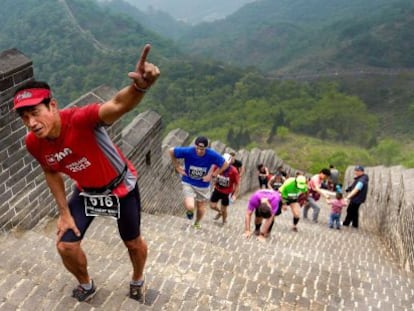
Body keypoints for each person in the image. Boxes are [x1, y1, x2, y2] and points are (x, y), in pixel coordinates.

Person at [13, 44, 160, 303]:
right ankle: (86, 284)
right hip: (86, 193)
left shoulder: (81, 120)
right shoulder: (34, 143)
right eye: (24, 117)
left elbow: (117, 104)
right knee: (65, 245)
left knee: (133, 242)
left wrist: (140, 88)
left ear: (53, 105)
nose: (31, 123)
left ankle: (137, 279)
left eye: (35, 112)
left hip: (120, 188)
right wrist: (63, 212)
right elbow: (50, 171)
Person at [169, 136, 228, 229]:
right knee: (190, 206)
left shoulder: (211, 154)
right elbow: (171, 151)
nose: (199, 151)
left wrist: (212, 175)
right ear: (195, 146)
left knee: (201, 206)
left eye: (202, 149)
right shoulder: (189, 151)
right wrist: (177, 167)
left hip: (203, 185)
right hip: (188, 181)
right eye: (198, 148)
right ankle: (190, 211)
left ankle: (197, 222)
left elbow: (225, 164)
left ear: (206, 148)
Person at [210, 153, 240, 224]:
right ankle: (219, 212)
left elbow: (237, 184)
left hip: (226, 192)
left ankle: (224, 221)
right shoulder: (216, 167)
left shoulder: (234, 171)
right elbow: (213, 176)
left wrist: (235, 195)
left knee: (224, 209)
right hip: (217, 189)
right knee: (212, 206)